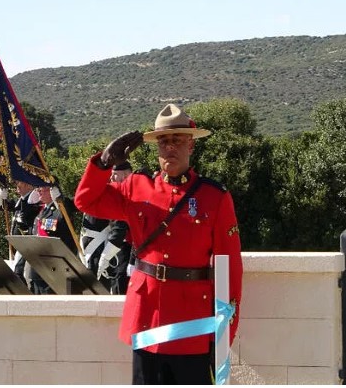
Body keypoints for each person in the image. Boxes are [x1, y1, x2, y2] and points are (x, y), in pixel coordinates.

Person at [74, 103, 243, 384]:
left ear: (191, 145)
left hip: (192, 326)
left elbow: (231, 269)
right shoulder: (137, 187)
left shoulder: (214, 197)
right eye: (164, 141)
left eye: (177, 141)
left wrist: (224, 330)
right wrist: (103, 163)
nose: (170, 148)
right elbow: (85, 201)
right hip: (147, 318)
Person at [80, 161, 133, 294]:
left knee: (119, 291)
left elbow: (119, 227)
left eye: (115, 175)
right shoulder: (115, 193)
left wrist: (106, 255)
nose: (111, 178)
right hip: (114, 252)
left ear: (127, 175)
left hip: (126, 251)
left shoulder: (127, 195)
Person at [29, 182, 80, 294]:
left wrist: (59, 199)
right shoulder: (42, 211)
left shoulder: (61, 208)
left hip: (55, 268)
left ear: (52, 190)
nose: (39, 190)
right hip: (39, 266)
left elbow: (66, 212)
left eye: (43, 188)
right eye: (38, 187)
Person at [0, 180, 42, 285]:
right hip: (16, 246)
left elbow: (28, 210)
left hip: (27, 246)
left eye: (20, 182)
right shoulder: (19, 201)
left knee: (22, 275)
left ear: (29, 185)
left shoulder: (33, 201)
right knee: (18, 274)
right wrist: (1, 195)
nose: (17, 185)